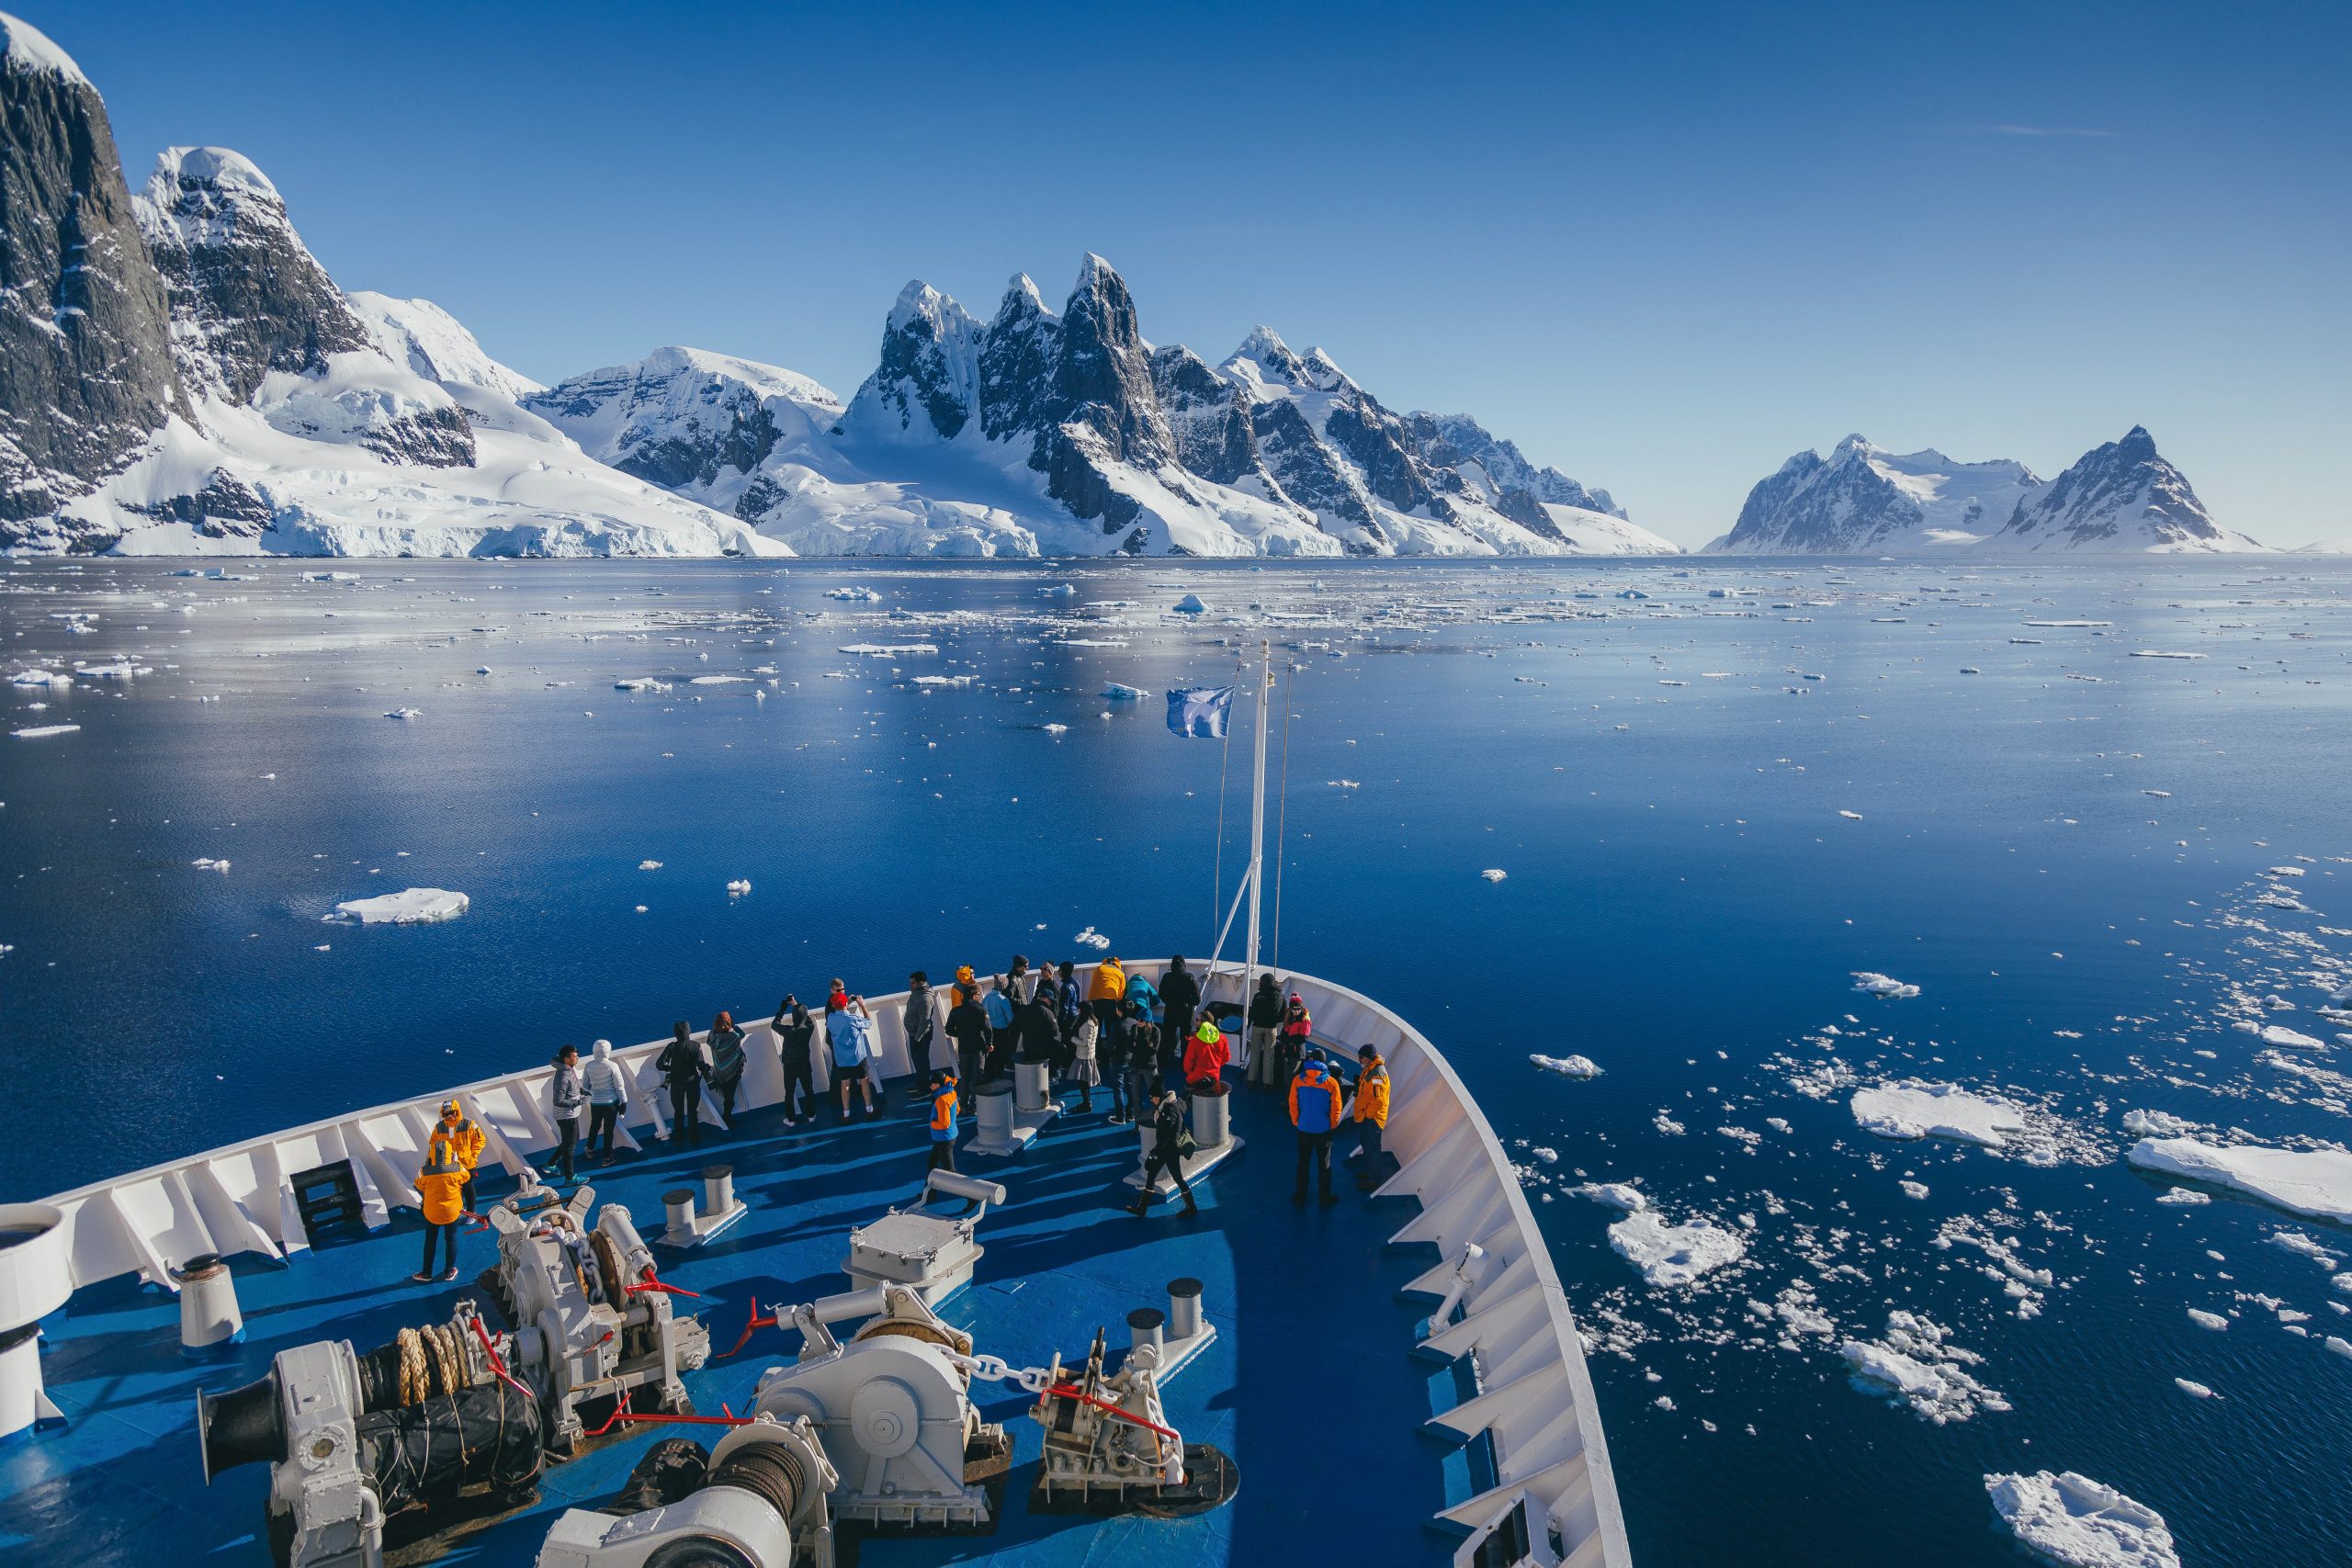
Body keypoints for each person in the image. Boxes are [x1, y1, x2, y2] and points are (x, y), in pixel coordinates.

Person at [1129, 1085, 1198, 1218]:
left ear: (1158, 1097)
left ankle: (1192, 1207)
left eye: (1151, 1097)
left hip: (1170, 1151)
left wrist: (1156, 1151)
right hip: (1163, 1149)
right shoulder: (1164, 1108)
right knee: (1151, 1175)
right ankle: (1142, 1208)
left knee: (1178, 1178)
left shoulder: (1170, 1111)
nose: (1150, 1100)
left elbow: (1171, 1136)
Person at [1289, 1048, 1343, 1206]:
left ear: (1311, 1059)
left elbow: (1293, 1104)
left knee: (1303, 1163)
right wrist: (1332, 1126)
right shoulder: (1331, 1083)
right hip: (1323, 1131)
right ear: (1324, 1063)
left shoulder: (1298, 1080)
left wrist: (1296, 1121)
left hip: (1303, 1128)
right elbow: (1336, 1108)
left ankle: (1300, 1197)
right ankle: (1325, 1199)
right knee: (1324, 1165)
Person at [412, 1135, 466, 1282]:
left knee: (430, 1241)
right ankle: (449, 1271)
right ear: (450, 1153)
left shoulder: (424, 1171)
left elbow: (419, 1185)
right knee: (451, 1240)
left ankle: (426, 1273)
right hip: (452, 1212)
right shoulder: (457, 1168)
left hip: (432, 1212)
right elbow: (465, 1178)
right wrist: (455, 1162)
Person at [828, 992, 877, 1120]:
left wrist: (845, 1004)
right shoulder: (853, 1019)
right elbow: (868, 1023)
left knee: (845, 1085)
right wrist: (863, 1006)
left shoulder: (831, 1018)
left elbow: (838, 1015)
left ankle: (846, 1114)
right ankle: (869, 1110)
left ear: (833, 1005)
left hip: (842, 1060)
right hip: (858, 1058)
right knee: (864, 1082)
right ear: (845, 1004)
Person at [659, 1021, 708, 1145]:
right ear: (689, 1031)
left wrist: (670, 1069)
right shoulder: (695, 1046)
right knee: (692, 1111)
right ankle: (694, 1137)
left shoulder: (671, 1046)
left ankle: (679, 1136)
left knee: (678, 1111)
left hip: (676, 1082)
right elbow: (701, 1065)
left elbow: (659, 1065)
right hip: (692, 1082)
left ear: (676, 1033)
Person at [1351, 1043, 1392, 1191]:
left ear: (1368, 1059)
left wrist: (1367, 1115)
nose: (1359, 1060)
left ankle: (1373, 1181)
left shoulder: (1377, 1076)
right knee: (1366, 1145)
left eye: (1361, 1057)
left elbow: (1379, 1101)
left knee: (1372, 1149)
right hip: (1367, 1117)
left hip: (1373, 1119)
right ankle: (1368, 1172)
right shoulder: (1371, 1069)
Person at [435, 1100, 485, 1215]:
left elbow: (480, 1140)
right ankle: (457, 1210)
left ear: (456, 1111)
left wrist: (473, 1155)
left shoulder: (469, 1125)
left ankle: (471, 1212)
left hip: (467, 1164)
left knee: (467, 1188)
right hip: (449, 1166)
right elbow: (435, 1144)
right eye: (446, 1114)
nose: (449, 1116)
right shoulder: (439, 1128)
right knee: (452, 1190)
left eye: (451, 1113)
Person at [946, 984, 990, 1111]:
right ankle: (974, 1106)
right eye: (978, 994)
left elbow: (949, 1030)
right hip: (978, 1048)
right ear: (974, 996)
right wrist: (990, 1043)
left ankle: (963, 1105)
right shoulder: (981, 1010)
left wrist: (960, 1034)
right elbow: (988, 1029)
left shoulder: (955, 1011)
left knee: (965, 1077)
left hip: (964, 1049)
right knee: (977, 1076)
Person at [582, 1039, 627, 1165]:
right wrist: (624, 1102)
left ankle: (590, 1149)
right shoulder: (612, 1066)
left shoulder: (588, 1066)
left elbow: (585, 1086)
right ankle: (607, 1156)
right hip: (611, 1103)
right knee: (609, 1129)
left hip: (595, 1103)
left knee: (594, 1126)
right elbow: (620, 1086)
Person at [774, 997, 816, 1125]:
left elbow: (774, 1024)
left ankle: (791, 1119)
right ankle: (811, 1115)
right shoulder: (810, 1027)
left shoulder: (789, 1031)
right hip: (804, 1063)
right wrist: (795, 1004)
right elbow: (806, 1017)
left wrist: (783, 1008)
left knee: (790, 1092)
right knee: (808, 1089)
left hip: (790, 1065)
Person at [546, 1045, 585, 1184]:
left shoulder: (568, 1069)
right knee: (570, 1146)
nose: (578, 1058)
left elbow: (572, 1086)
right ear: (566, 1059)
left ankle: (551, 1164)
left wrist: (582, 1091)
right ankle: (570, 1177)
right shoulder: (563, 1075)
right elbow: (558, 1100)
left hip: (571, 1114)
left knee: (573, 1140)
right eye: (575, 1057)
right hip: (566, 1116)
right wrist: (578, 1102)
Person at [706, 1011, 747, 1124]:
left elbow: (709, 1041)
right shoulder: (733, 1036)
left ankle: (726, 1117)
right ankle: (727, 1118)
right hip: (732, 1071)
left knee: (727, 1094)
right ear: (728, 1023)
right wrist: (733, 1026)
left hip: (718, 1071)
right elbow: (742, 1035)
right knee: (729, 1097)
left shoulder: (712, 1035)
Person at [1245, 974, 1284, 1090]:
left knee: (1255, 1053)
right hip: (1271, 1029)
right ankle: (1268, 1082)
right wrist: (1274, 1020)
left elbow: (1252, 1013)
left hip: (1257, 1027)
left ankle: (1251, 1080)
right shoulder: (1281, 997)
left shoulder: (1258, 996)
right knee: (1269, 1055)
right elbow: (1282, 1015)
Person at [1159, 956, 1202, 1061]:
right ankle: (1185, 1062)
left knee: (1168, 1037)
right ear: (1184, 965)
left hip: (1170, 1012)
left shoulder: (1167, 977)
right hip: (1186, 1013)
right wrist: (1189, 1004)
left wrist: (1169, 1002)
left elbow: (1161, 994)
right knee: (1186, 1039)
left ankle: (1165, 1060)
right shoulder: (1190, 977)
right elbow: (1197, 998)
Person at [1124, 1021, 1159, 1133]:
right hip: (1137, 1067)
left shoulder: (1155, 1031)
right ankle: (1137, 1124)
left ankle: (1156, 1120)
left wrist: (1137, 1046)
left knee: (1154, 1096)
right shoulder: (1135, 1028)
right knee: (1136, 1096)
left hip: (1148, 1068)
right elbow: (1130, 1047)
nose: (1138, 1022)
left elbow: (1154, 1050)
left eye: (1141, 1021)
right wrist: (1146, 1046)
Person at [1275, 992, 1314, 1092]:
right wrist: (1282, 1037)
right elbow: (1285, 1030)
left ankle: (1290, 1101)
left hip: (1297, 1053)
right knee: (1286, 1076)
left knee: (1290, 1077)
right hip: (1288, 1050)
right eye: (1294, 1009)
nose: (1296, 1011)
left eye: (1298, 1009)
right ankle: (1289, 1098)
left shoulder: (1304, 1019)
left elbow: (1303, 1038)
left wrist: (1288, 1040)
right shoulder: (1289, 1016)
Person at [1182, 1016, 1229, 1096]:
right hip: (1214, 1079)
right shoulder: (1223, 1038)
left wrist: (1192, 1072)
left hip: (1196, 1079)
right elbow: (1226, 1058)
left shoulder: (1194, 1041)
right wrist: (1216, 1066)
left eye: (1197, 1020)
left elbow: (1187, 1065)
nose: (1195, 1022)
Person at [926, 1067, 960, 1174]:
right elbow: (957, 1109)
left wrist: (932, 1124)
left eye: (933, 1084)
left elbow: (944, 1124)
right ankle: (929, 1191)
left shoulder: (942, 1100)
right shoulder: (952, 1092)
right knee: (932, 1163)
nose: (931, 1086)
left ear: (939, 1085)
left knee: (950, 1172)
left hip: (945, 1139)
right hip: (947, 1136)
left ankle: (959, 1189)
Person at [1066, 1007, 1101, 1111]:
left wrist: (1071, 1038)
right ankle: (1087, 1101)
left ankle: (1086, 1103)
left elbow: (1085, 1043)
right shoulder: (1094, 1021)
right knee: (1085, 1081)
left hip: (1084, 1057)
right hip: (1088, 1055)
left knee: (1083, 1082)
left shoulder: (1087, 1024)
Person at [981, 976, 1015, 1080]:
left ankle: (988, 1073)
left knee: (990, 1051)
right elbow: (1010, 1016)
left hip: (989, 1028)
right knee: (1001, 1051)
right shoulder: (1003, 1000)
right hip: (1001, 1029)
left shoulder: (987, 997)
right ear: (1004, 986)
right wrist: (1009, 1025)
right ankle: (999, 1073)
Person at [903, 973, 935, 1080]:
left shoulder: (925, 998)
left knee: (922, 1060)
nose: (910, 985)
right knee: (917, 1059)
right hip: (914, 1033)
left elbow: (925, 1021)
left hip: (921, 1035)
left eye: (913, 983)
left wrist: (918, 1038)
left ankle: (926, 1087)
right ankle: (921, 1083)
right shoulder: (916, 993)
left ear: (920, 983)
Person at [1088, 955, 1128, 1036]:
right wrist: (1118, 1004)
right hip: (1110, 1001)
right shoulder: (1120, 973)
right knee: (1110, 1028)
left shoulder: (1098, 969)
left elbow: (1093, 985)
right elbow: (1121, 992)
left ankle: (1096, 1048)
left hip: (1094, 1000)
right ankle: (1110, 1046)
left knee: (1095, 1028)